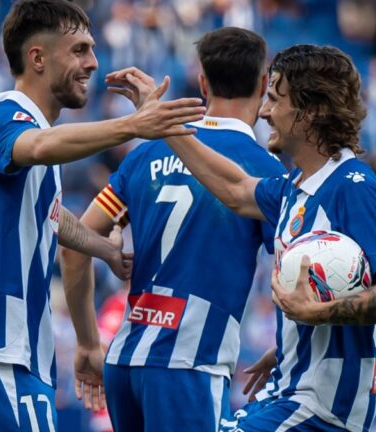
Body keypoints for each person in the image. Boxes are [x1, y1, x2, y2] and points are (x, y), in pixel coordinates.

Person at [112, 44, 376, 431]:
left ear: (311, 111)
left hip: (323, 410)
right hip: (289, 394)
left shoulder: (352, 187)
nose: (264, 112)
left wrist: (316, 314)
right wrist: (293, 346)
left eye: (276, 100)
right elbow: (232, 188)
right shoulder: (291, 188)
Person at [0, 1, 206, 431]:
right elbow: (40, 147)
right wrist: (133, 125)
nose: (93, 63)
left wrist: (103, 249)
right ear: (38, 58)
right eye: (80, 50)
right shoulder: (4, 119)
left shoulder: (36, 139)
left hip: (14, 355)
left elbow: (51, 216)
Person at [61, 27, 287, 431]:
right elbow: (292, 274)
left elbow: (75, 243)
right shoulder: (266, 173)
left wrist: (87, 342)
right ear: (264, 84)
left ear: (203, 83)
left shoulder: (146, 153)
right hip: (189, 364)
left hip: (124, 361)